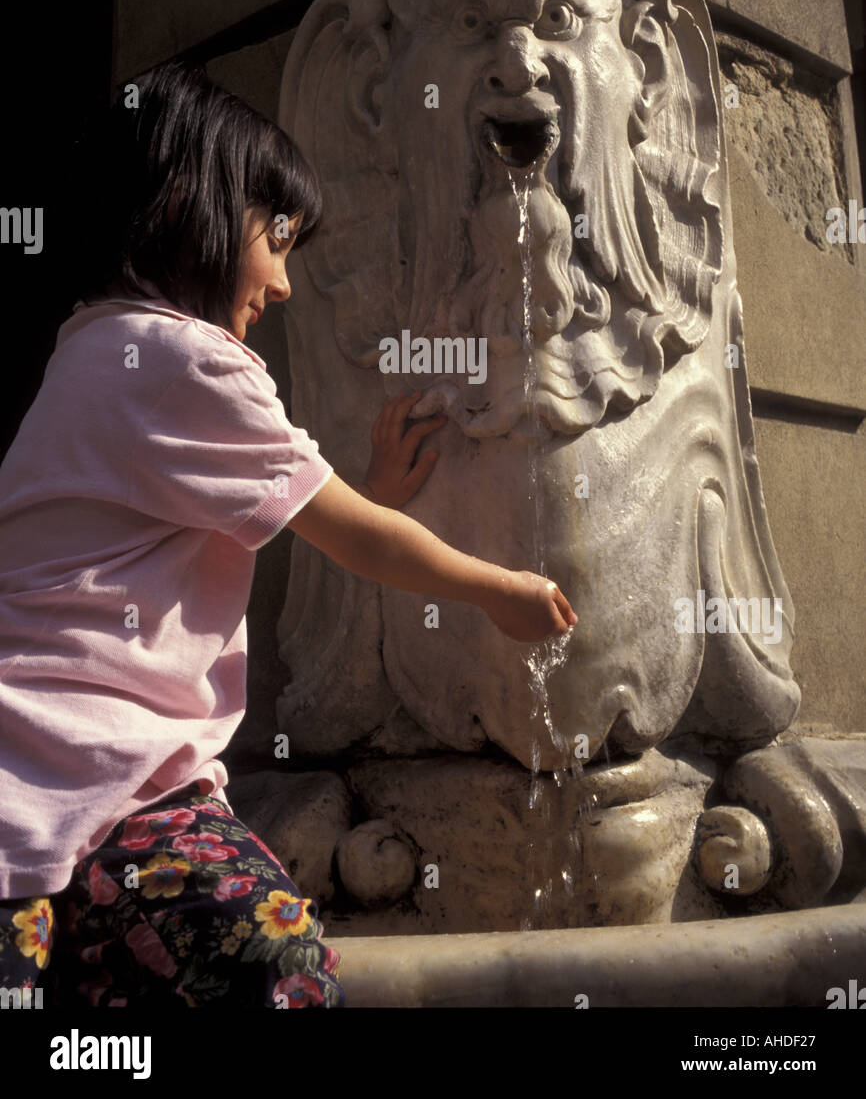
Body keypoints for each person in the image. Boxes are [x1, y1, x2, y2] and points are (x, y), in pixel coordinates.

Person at [0, 60, 577, 1010]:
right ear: (201, 208)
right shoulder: (191, 359)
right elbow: (352, 536)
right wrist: (496, 588)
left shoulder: (88, 351)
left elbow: (244, 518)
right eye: (278, 239)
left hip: (29, 795)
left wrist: (365, 493)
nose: (285, 282)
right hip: (112, 789)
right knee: (283, 971)